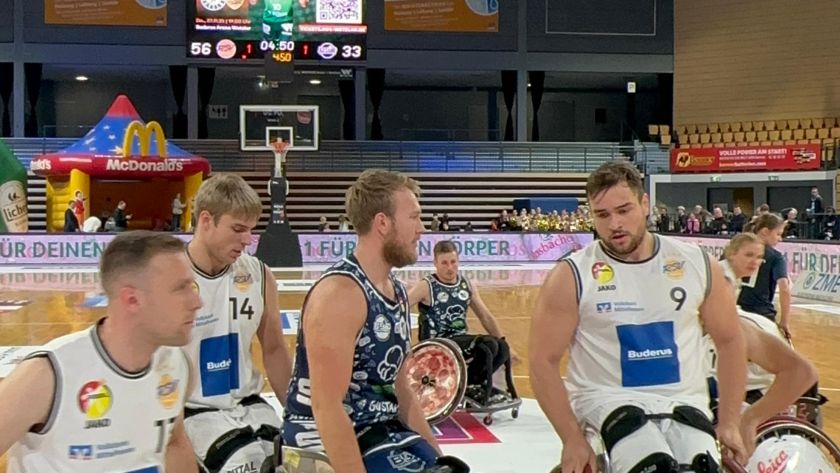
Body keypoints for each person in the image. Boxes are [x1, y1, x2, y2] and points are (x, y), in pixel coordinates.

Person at [529, 160, 749, 473]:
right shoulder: (571, 275)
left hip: (683, 402)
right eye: (602, 215)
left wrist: (729, 422)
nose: (614, 224)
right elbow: (542, 360)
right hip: (607, 403)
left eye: (624, 210)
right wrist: (571, 438)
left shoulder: (696, 263)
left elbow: (730, 340)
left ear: (645, 204)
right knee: (651, 464)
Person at [283, 169, 467, 473]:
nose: (422, 229)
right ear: (383, 223)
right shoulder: (340, 294)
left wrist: (440, 458)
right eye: (414, 217)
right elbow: (326, 408)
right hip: (322, 438)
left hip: (378, 428)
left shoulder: (396, 290)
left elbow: (402, 390)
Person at [0, 231, 201, 472]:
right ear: (132, 299)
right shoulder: (48, 375)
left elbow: (174, 443)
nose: (197, 302)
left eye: (192, 287)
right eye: (180, 289)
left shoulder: (177, 365)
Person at [184, 173, 293, 473]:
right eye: (238, 229)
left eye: (251, 230)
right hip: (195, 412)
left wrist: (298, 415)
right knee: (249, 464)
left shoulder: (259, 273)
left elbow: (274, 350)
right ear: (206, 220)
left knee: (298, 462)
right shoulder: (171, 276)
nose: (247, 240)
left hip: (250, 406)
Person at [708, 233, 818, 446]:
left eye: (759, 257)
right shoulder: (723, 278)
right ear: (732, 253)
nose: (755, 262)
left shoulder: (728, 276)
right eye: (749, 255)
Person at [408, 240, 519, 405]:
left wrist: (508, 345)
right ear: (435, 263)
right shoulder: (426, 286)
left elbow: (485, 316)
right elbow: (400, 307)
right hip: (437, 342)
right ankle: (469, 385)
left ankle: (473, 383)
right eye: (444, 263)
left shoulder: (466, 284)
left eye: (453, 262)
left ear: (458, 261)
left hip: (460, 339)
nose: (450, 267)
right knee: (487, 345)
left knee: (501, 347)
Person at [738, 213, 792, 337]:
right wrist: (784, 321)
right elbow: (784, 288)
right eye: (778, 234)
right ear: (765, 232)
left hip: (734, 312)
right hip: (761, 315)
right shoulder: (776, 257)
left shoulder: (735, 251)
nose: (780, 239)